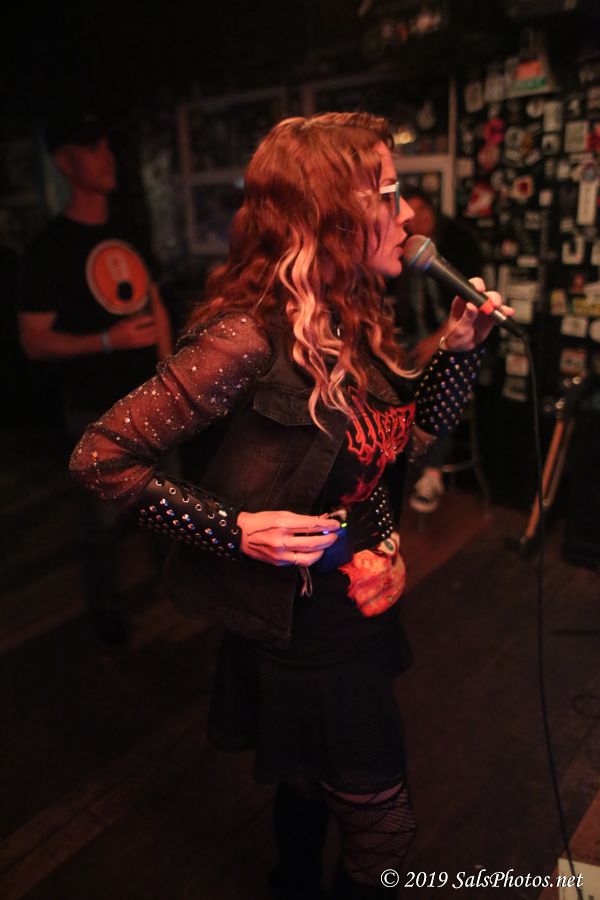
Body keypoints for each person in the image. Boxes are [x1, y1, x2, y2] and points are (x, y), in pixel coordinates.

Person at [69, 112, 512, 898]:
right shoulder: (246, 339)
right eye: (389, 194)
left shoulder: (353, 313)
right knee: (387, 835)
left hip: (354, 610)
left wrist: (457, 352)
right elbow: (98, 458)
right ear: (331, 214)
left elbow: (404, 445)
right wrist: (233, 529)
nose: (408, 216)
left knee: (306, 787)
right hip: (304, 634)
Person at [18, 110, 173, 645]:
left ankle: (176, 589)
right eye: (93, 147)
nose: (108, 157)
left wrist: (169, 380)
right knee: (101, 522)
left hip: (152, 401)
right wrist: (107, 341)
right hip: (95, 408)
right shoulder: (49, 248)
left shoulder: (128, 230)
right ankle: (107, 613)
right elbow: (34, 341)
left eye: (108, 146)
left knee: (168, 504)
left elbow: (155, 304)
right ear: (65, 162)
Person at [392, 186, 483, 514]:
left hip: (451, 334)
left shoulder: (458, 242)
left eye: (423, 211)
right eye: (410, 214)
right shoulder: (401, 248)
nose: (416, 219)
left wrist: (438, 341)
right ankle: (394, 464)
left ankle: (431, 473)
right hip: (412, 336)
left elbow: (471, 298)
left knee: (440, 383)